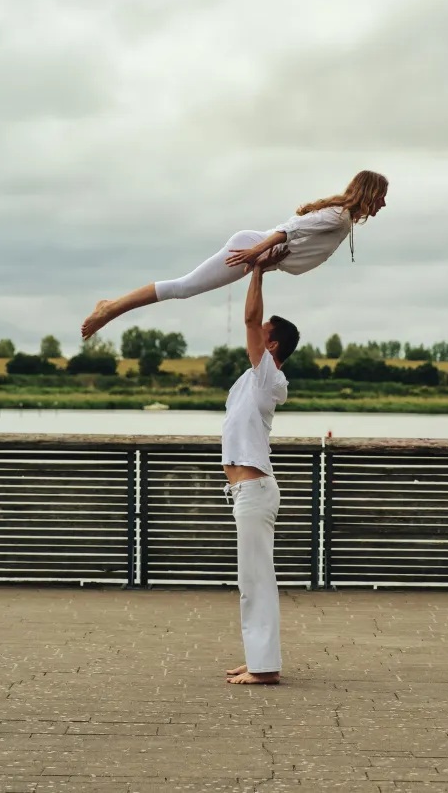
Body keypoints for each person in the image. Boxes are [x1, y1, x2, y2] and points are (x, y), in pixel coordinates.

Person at [81, 169, 388, 340]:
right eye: (382, 197)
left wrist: (263, 264)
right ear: (371, 194)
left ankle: (111, 307)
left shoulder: (341, 219)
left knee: (185, 287)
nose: (383, 205)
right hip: (252, 247)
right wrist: (254, 254)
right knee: (184, 287)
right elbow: (289, 229)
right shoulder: (338, 217)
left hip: (259, 253)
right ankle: (110, 308)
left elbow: (293, 241)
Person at [223, 245, 299, 685]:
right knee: (250, 580)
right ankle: (257, 657)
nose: (253, 335)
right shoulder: (252, 380)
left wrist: (257, 271)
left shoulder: (270, 376)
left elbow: (252, 320)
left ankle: (265, 668)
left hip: (254, 493)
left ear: (271, 346)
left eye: (261, 334)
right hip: (246, 493)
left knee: (256, 581)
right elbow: (254, 325)